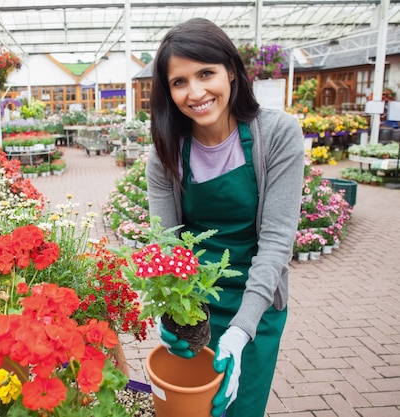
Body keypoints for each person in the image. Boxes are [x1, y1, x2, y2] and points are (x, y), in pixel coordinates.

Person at [147, 18, 304, 417]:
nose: (195, 92)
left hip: (258, 300)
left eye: (206, 73)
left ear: (231, 71)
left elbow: (275, 242)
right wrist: (172, 312)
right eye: (179, 82)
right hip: (194, 305)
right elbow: (166, 245)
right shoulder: (166, 153)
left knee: (240, 408)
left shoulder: (277, 134)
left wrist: (238, 333)